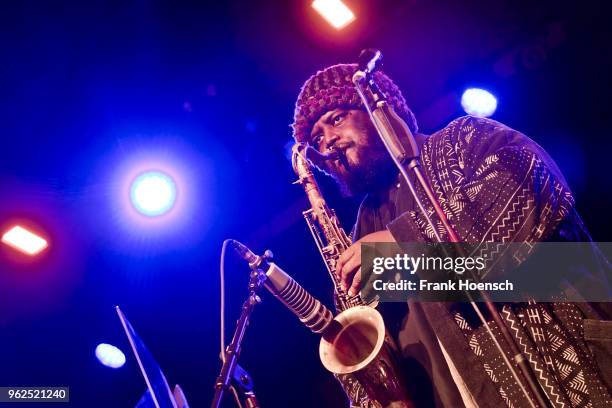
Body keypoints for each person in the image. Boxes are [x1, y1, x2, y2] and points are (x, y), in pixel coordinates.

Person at [290, 63, 612, 407]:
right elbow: (356, 344)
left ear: (380, 107)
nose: (328, 143)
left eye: (336, 119)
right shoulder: (361, 229)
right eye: (317, 139)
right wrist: (379, 393)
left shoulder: (462, 138)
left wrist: (404, 240)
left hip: (563, 378)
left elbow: (529, 185)